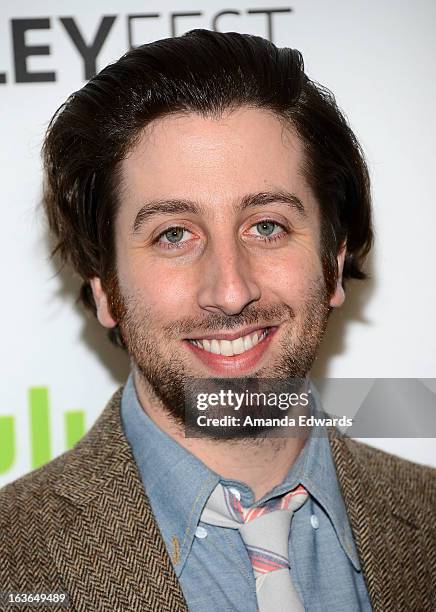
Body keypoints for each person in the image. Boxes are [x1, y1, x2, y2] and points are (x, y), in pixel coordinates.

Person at [0, 29, 434, 612]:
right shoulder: (15, 560)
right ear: (105, 289)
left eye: (267, 226)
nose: (230, 291)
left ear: (333, 265)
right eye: (173, 234)